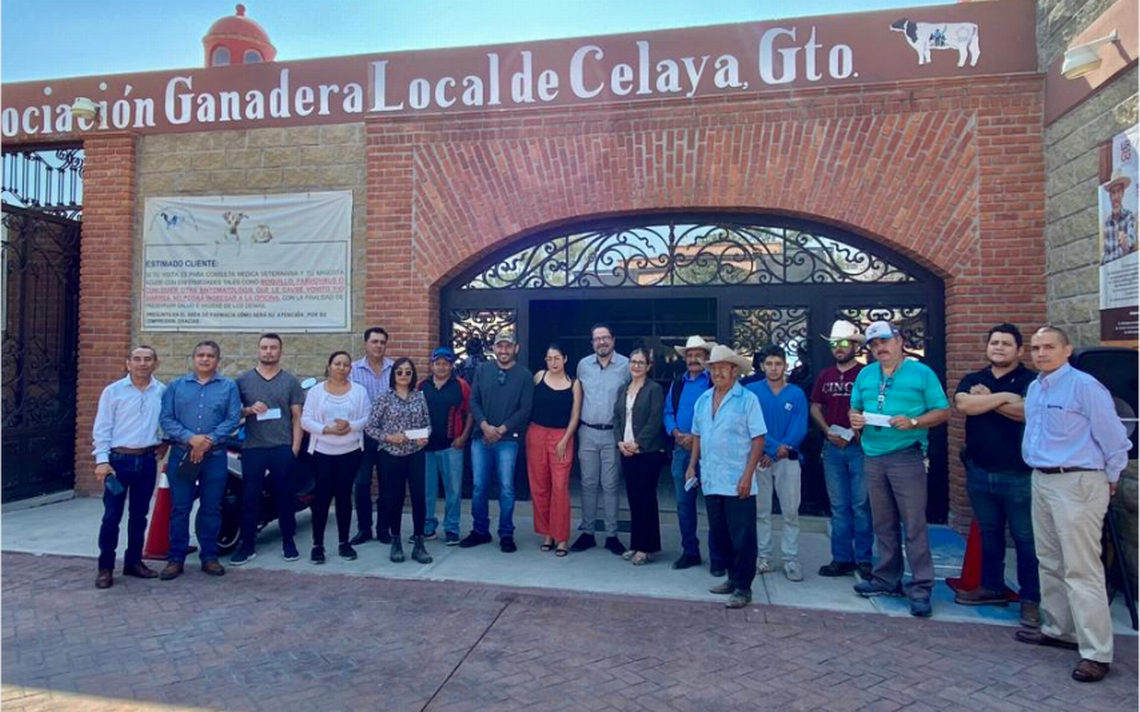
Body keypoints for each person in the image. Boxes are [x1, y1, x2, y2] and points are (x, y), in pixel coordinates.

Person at [1015, 326, 1130, 684]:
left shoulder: (1085, 386)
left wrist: (1111, 476)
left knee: (1082, 569)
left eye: (1049, 347)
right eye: (1036, 348)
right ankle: (1060, 629)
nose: (1041, 353)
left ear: (1067, 350)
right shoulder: (1036, 387)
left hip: (1078, 480)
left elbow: (1115, 438)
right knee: (1050, 560)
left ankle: (1096, 652)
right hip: (1043, 478)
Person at [849, 321, 949, 618]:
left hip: (907, 456)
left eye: (884, 341)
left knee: (914, 524)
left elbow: (942, 411)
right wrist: (855, 419)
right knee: (883, 523)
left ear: (899, 341)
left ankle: (921, 588)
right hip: (872, 456)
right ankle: (886, 579)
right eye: (874, 344)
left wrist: (914, 422)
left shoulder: (922, 373)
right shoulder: (866, 374)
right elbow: (855, 407)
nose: (879, 348)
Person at [952, 324, 1039, 627]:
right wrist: (1004, 398)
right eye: (994, 342)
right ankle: (991, 587)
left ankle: (1031, 599)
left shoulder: (1032, 381)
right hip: (979, 470)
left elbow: (1028, 412)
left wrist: (988, 400)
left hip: (1019, 474)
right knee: (989, 535)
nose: (999, 347)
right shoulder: (974, 379)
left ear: (1019, 350)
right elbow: (965, 405)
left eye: (1006, 343)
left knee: (1026, 539)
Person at [686, 345, 767, 609]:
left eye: (723, 368)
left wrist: (748, 475)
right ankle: (732, 578)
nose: (717, 372)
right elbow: (697, 435)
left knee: (743, 535)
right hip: (712, 477)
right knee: (720, 534)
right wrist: (692, 465)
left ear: (735, 371)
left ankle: (744, 587)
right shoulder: (703, 399)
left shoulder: (747, 399)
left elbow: (758, 439)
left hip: (738, 479)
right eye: (714, 368)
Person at [158, 341, 242, 580]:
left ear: (218, 360)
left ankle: (209, 556)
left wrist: (208, 441)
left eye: (210, 356)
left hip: (215, 457)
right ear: (193, 358)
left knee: (211, 508)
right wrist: (191, 439)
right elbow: (166, 418)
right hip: (182, 455)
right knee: (180, 508)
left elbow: (232, 418)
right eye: (200, 355)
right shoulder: (176, 386)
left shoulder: (228, 387)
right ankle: (175, 558)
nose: (205, 359)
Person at [91, 345, 167, 589]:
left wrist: (165, 442)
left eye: (147, 359)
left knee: (139, 515)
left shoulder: (162, 391)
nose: (142, 363)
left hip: (146, 461)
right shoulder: (113, 392)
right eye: (137, 359)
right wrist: (102, 461)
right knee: (111, 516)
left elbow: (168, 421)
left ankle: (134, 562)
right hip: (118, 462)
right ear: (128, 363)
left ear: (155, 363)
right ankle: (105, 567)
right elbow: (102, 428)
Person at [231, 333, 306, 565]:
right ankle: (247, 545)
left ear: (280, 351)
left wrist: (294, 449)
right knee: (250, 498)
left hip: (282, 447)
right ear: (258, 350)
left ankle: (288, 542)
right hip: (253, 448)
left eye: (273, 347)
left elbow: (297, 416)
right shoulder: (242, 381)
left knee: (285, 497)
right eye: (264, 347)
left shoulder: (290, 381)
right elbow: (232, 414)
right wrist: (249, 410)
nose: (268, 351)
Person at [810, 320, 873, 581]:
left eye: (844, 342)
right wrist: (827, 431)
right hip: (833, 447)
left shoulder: (866, 374)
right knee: (838, 506)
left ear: (855, 346)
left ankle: (865, 559)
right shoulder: (825, 376)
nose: (839, 347)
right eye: (835, 343)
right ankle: (842, 558)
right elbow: (815, 406)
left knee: (861, 505)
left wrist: (860, 428)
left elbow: (874, 406)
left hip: (859, 447)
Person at [461, 330, 534, 552]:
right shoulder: (483, 370)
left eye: (508, 346)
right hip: (481, 437)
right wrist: (485, 426)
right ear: (494, 348)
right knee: (479, 487)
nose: (504, 350)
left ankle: (506, 533)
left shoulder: (524, 375)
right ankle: (480, 531)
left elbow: (525, 409)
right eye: (500, 346)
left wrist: (502, 429)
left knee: (506, 488)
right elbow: (473, 401)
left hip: (508, 439)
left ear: (516, 348)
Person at [301, 351, 372, 564]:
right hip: (322, 453)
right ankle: (318, 545)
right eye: (337, 363)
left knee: (344, 498)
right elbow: (306, 420)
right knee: (321, 499)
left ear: (351, 368)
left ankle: (344, 543)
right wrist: (327, 430)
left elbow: (367, 417)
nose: (341, 367)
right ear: (329, 366)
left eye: (346, 364)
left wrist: (351, 426)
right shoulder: (316, 392)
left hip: (350, 453)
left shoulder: (359, 391)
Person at [747, 345, 809, 582]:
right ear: (763, 366)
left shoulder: (796, 394)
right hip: (758, 457)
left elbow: (799, 427)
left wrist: (776, 452)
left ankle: (790, 559)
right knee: (760, 510)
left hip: (787, 459)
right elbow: (751, 424)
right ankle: (764, 556)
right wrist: (770, 448)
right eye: (769, 364)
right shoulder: (752, 392)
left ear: (785, 366)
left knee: (790, 510)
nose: (774, 368)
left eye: (778, 364)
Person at [365, 357, 433, 564]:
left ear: (413, 375)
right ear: (393, 374)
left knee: (419, 496)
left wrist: (425, 437)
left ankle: (419, 542)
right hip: (391, 454)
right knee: (395, 497)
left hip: (415, 452)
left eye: (408, 372)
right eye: (400, 372)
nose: (404, 375)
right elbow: (370, 427)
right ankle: (396, 540)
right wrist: (389, 437)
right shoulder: (384, 398)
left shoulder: (419, 397)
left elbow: (427, 424)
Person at [571, 323, 631, 555]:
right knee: (587, 483)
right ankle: (587, 532)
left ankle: (612, 535)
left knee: (610, 484)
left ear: (613, 340)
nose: (602, 342)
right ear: (592, 343)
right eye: (597, 339)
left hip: (612, 434)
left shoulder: (626, 365)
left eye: (605, 338)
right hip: (587, 431)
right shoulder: (583, 365)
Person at [663, 336, 717, 571]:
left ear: (706, 359)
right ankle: (690, 552)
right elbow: (668, 412)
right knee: (684, 505)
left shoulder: (714, 381)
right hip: (681, 449)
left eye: (698, 355)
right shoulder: (678, 383)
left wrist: (696, 439)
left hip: (709, 451)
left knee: (714, 504)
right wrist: (676, 433)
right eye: (690, 355)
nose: (693, 359)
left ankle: (717, 557)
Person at [526, 344, 582, 557]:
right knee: (539, 486)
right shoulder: (538, 377)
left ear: (565, 358)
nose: (553, 362)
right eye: (549, 359)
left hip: (562, 436)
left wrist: (565, 439)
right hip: (536, 434)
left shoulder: (574, 384)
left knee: (559, 487)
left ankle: (562, 537)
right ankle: (547, 533)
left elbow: (575, 416)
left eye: (557, 358)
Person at [614, 347, 667, 566]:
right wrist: (620, 442)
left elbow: (655, 420)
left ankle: (647, 547)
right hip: (626, 451)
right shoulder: (623, 388)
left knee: (646, 499)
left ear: (648, 366)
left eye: (641, 362)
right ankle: (636, 544)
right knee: (634, 499)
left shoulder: (654, 389)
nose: (636, 366)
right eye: (633, 362)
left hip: (647, 452)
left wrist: (638, 443)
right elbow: (616, 418)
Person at [418, 346, 473, 546]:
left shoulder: (461, 386)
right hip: (426, 448)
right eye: (437, 363)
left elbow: (470, 413)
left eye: (445, 363)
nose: (441, 367)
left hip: (452, 446)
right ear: (432, 365)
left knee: (453, 490)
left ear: (451, 366)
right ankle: (427, 527)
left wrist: (464, 437)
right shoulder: (422, 385)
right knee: (427, 490)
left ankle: (452, 528)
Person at [350, 326, 395, 546]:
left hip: (388, 437)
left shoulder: (395, 369)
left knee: (387, 484)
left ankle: (384, 529)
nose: (378, 346)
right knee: (361, 483)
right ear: (366, 343)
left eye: (382, 342)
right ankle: (364, 529)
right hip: (362, 436)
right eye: (374, 341)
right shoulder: (352, 370)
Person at [1101, 169, 1137, 264]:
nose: (1116, 197)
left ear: (1123, 193)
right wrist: (1122, 251)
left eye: (1119, 191)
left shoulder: (1129, 216)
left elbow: (1131, 242)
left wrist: (1126, 246)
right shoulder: (1107, 223)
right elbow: (1104, 256)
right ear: (1110, 196)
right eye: (1113, 192)